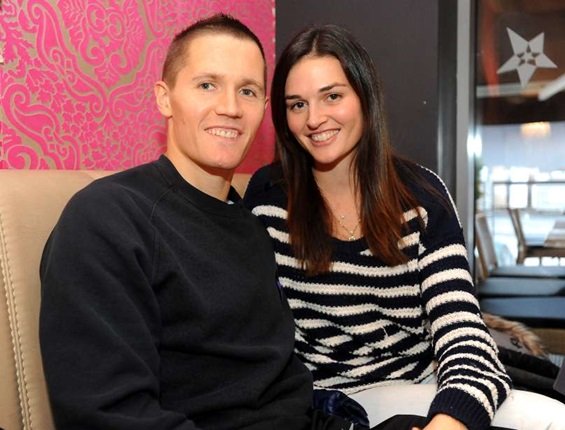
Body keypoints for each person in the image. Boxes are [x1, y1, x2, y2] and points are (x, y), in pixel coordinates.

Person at [244, 24, 565, 430]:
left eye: (332, 96)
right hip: (327, 399)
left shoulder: (421, 196)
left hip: (422, 383)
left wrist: (446, 423)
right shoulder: (269, 198)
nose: (315, 118)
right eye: (297, 105)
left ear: (365, 97)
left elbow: (464, 334)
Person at [40, 14, 326, 430]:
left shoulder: (248, 223)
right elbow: (108, 415)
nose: (230, 108)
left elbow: (280, 392)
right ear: (164, 98)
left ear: (263, 109)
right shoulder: (108, 218)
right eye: (207, 85)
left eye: (247, 91)